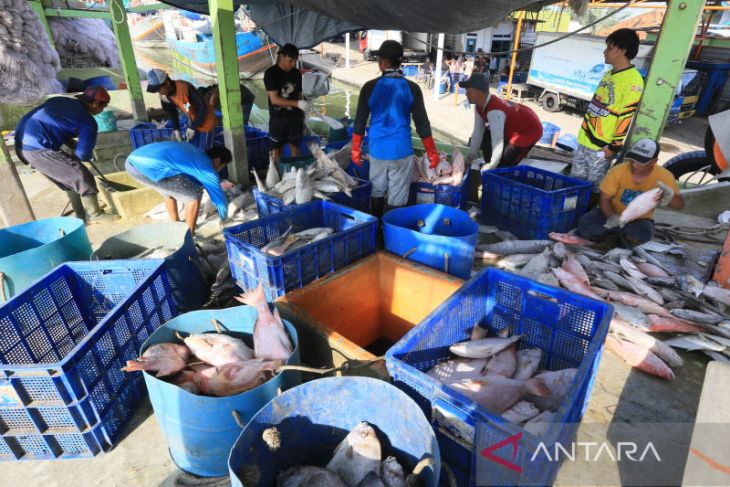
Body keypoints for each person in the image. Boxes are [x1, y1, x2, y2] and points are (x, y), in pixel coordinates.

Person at [352, 40, 439, 216]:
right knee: (397, 197)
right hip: (401, 151)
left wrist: (355, 150)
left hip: (378, 151)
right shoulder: (412, 88)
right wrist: (432, 153)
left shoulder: (369, 87)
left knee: (377, 191)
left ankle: (377, 234)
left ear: (383, 62)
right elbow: (422, 123)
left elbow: (359, 122)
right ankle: (392, 232)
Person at [14, 86, 114, 222]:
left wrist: (71, 142)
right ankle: (95, 215)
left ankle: (81, 215)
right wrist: (84, 151)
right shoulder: (88, 122)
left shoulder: (61, 100)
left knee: (69, 178)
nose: (102, 110)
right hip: (37, 148)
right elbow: (83, 155)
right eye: (104, 106)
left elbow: (56, 123)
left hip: (21, 142)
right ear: (96, 104)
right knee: (82, 176)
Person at [577, 139, 684, 248]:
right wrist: (612, 217)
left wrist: (670, 196)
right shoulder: (618, 171)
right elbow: (604, 199)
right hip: (611, 213)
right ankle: (616, 239)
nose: (634, 164)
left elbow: (679, 205)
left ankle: (614, 239)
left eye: (641, 161)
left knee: (642, 234)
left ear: (654, 161)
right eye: (633, 159)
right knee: (586, 224)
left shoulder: (665, 176)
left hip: (639, 220)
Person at [572, 29, 645, 185]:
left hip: (600, 148)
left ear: (622, 50)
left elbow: (626, 116)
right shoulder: (609, 74)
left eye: (610, 48)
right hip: (584, 140)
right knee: (574, 183)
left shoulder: (634, 81)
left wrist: (613, 147)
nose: (605, 52)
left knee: (593, 185)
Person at [125, 142, 232, 236]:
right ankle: (189, 235)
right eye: (223, 165)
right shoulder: (207, 169)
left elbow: (187, 175)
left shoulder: (194, 150)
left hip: (133, 161)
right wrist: (224, 219)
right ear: (217, 161)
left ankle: (175, 223)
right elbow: (219, 200)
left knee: (170, 189)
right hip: (146, 168)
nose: (221, 169)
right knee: (194, 195)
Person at [461, 73, 543, 170]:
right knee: (486, 135)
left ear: (477, 93)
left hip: (529, 130)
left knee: (505, 164)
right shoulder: (479, 106)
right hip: (515, 124)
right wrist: (470, 157)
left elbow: (498, 141)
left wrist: (492, 165)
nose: (465, 93)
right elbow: (477, 132)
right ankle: (490, 164)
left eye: (468, 91)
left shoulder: (494, 112)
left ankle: (497, 166)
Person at [146, 69, 218, 149]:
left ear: (167, 83)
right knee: (191, 149)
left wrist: (193, 127)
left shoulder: (185, 88)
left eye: (159, 89)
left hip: (206, 122)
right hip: (194, 121)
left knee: (205, 152)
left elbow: (202, 107)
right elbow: (172, 112)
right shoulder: (167, 95)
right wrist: (176, 128)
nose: (160, 93)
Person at [264, 43, 309, 162]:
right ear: (282, 56)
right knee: (277, 150)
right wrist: (298, 104)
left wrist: (304, 108)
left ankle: (296, 173)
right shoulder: (271, 73)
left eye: (295, 60)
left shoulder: (296, 73)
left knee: (295, 148)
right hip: (278, 118)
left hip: (295, 118)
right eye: (291, 60)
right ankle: (277, 176)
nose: (293, 63)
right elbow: (274, 99)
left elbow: (299, 94)